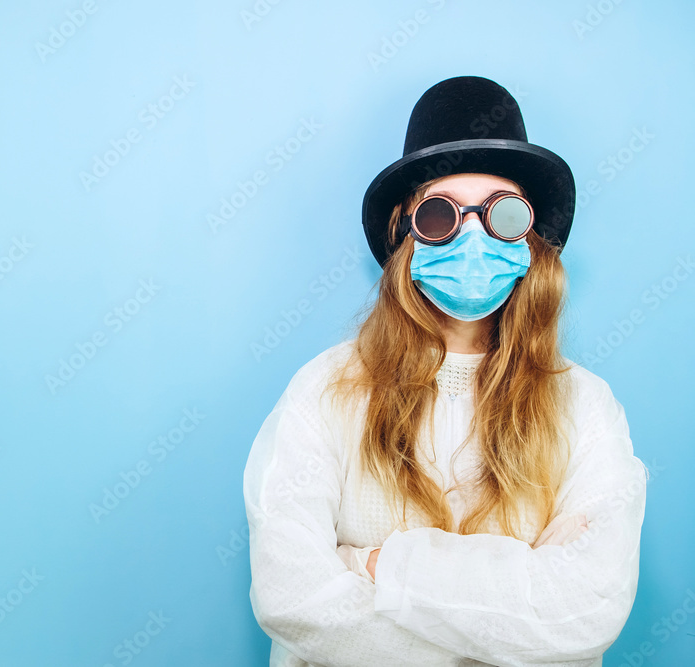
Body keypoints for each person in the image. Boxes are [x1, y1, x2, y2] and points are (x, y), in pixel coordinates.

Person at [242, 76, 650, 667]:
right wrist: (514, 615)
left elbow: (588, 611)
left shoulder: (584, 406)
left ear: (531, 239)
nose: (474, 236)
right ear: (405, 233)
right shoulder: (324, 392)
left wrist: (373, 566)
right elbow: (293, 600)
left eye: (502, 214)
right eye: (440, 215)